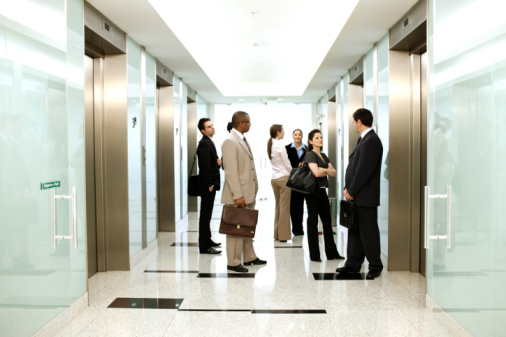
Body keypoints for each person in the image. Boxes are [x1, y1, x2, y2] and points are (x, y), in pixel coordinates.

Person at [336, 108, 383, 280]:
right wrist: (348, 189)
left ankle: (375, 266)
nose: (354, 125)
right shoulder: (363, 139)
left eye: (354, 122)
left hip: (364, 197)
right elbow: (355, 168)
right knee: (354, 231)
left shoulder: (371, 141)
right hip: (356, 196)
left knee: (368, 233)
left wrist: (352, 191)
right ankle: (353, 264)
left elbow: (364, 171)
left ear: (359, 122)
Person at [221, 111, 267, 272]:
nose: (250, 124)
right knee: (235, 229)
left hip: (248, 192)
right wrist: (238, 195)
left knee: (247, 227)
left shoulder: (242, 140)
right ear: (241, 123)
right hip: (238, 195)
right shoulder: (229, 141)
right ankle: (233, 262)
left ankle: (249, 257)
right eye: (248, 122)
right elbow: (231, 172)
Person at [304, 129, 343, 262]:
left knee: (327, 223)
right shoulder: (310, 155)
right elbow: (316, 173)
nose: (320, 140)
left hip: (322, 191)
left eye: (321, 137)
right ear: (310, 141)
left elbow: (335, 173)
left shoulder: (324, 156)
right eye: (316, 138)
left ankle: (332, 253)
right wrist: (327, 170)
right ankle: (315, 255)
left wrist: (324, 170)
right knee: (313, 222)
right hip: (312, 193)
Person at [197, 118, 222, 254]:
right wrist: (210, 183)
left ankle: (208, 239)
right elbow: (205, 167)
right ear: (203, 130)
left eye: (212, 125)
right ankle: (204, 246)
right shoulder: (204, 144)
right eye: (208, 127)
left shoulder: (208, 142)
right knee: (205, 215)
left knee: (207, 214)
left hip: (209, 184)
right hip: (208, 185)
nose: (212, 128)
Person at [267, 124, 292, 242]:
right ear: (278, 132)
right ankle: (283, 236)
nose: (284, 133)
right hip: (283, 178)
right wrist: (293, 173)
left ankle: (277, 234)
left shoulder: (271, 145)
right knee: (285, 208)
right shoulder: (280, 146)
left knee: (278, 206)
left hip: (274, 179)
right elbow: (287, 164)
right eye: (283, 131)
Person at [285, 129, 306, 236]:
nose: (297, 136)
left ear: (302, 136)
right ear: (293, 136)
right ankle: (296, 229)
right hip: (291, 180)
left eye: (299, 134)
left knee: (300, 205)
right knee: (293, 205)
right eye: (295, 134)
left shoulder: (307, 149)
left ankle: (300, 228)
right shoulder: (287, 148)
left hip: (303, 180)